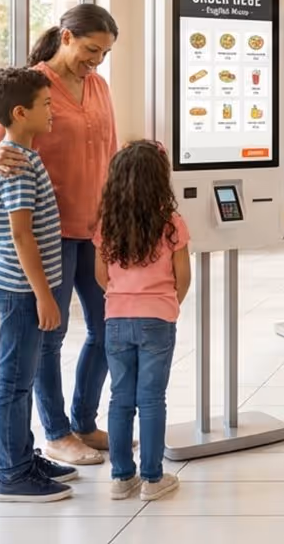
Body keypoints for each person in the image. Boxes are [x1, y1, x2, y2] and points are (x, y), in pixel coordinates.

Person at [0, 4, 119, 466]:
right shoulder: (34, 86)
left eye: (104, 53)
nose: (95, 61)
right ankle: (56, 432)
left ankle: (83, 421)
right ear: (66, 37)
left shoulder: (99, 87)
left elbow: (111, 154)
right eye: (91, 50)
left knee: (107, 329)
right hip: (50, 234)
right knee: (50, 336)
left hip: (96, 229)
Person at [0, 66, 80, 503]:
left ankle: (24, 456)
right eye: (45, 104)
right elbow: (21, 235)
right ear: (20, 113)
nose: (52, 109)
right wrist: (44, 295)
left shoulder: (24, 156)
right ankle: (12, 473)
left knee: (21, 376)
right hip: (21, 290)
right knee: (15, 381)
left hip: (23, 286)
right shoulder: (17, 164)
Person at [94, 140, 189, 503]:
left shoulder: (108, 225)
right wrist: (165, 304)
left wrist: (123, 298)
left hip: (116, 319)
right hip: (158, 320)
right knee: (152, 399)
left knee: (120, 398)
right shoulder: (172, 224)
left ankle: (121, 478)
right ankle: (153, 478)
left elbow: (101, 275)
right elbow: (184, 276)